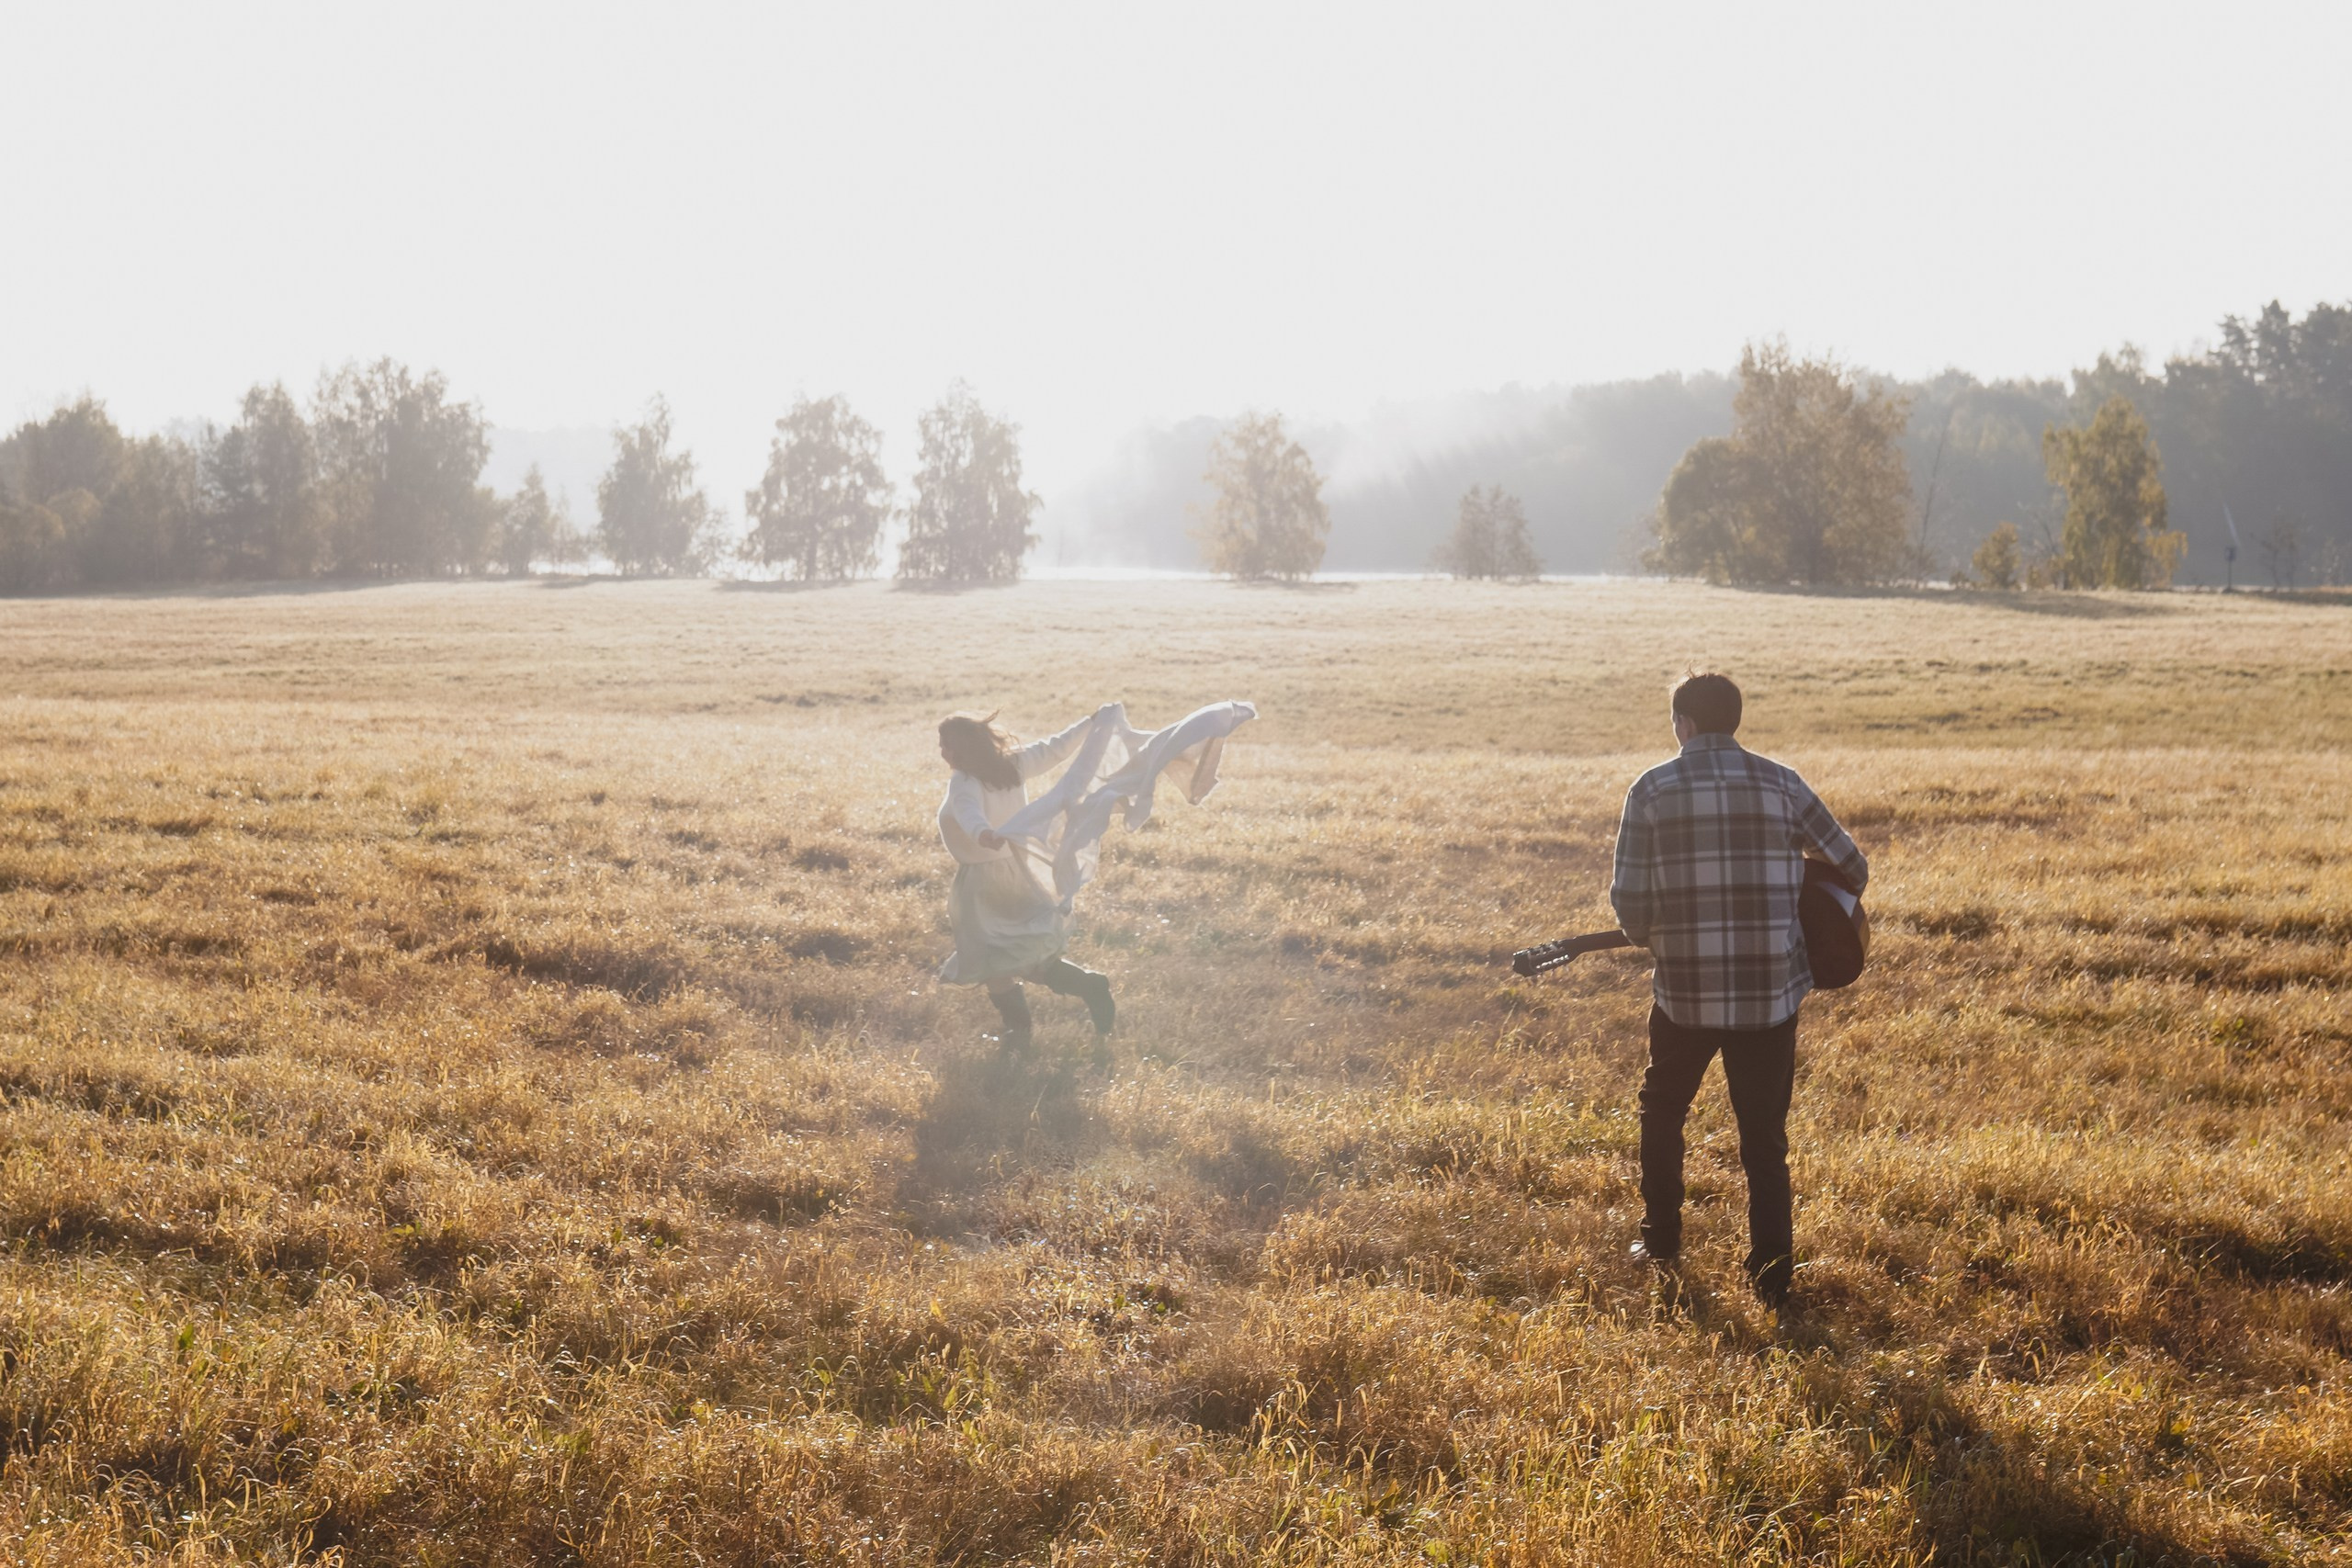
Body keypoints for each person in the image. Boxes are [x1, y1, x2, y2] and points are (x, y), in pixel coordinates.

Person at [1609, 671, 1869, 1308]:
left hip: (1684, 992)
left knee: (1662, 1111)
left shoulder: (1651, 789)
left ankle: (1661, 1240)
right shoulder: (1783, 783)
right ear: (1735, 720)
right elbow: (1853, 866)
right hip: (1770, 993)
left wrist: (1653, 931)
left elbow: (1630, 902)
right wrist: (1787, 888)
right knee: (1764, 1137)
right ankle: (1772, 1271)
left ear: (1684, 724)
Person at [935, 710, 1117, 1052]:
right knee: (1020, 953)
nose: (942, 752)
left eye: (945, 745)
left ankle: (1019, 1031)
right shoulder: (1012, 765)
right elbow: (1055, 748)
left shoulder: (964, 781)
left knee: (991, 959)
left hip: (983, 881)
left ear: (960, 749)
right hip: (1019, 872)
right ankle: (1087, 986)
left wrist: (982, 832)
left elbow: (967, 809)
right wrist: (1090, 722)